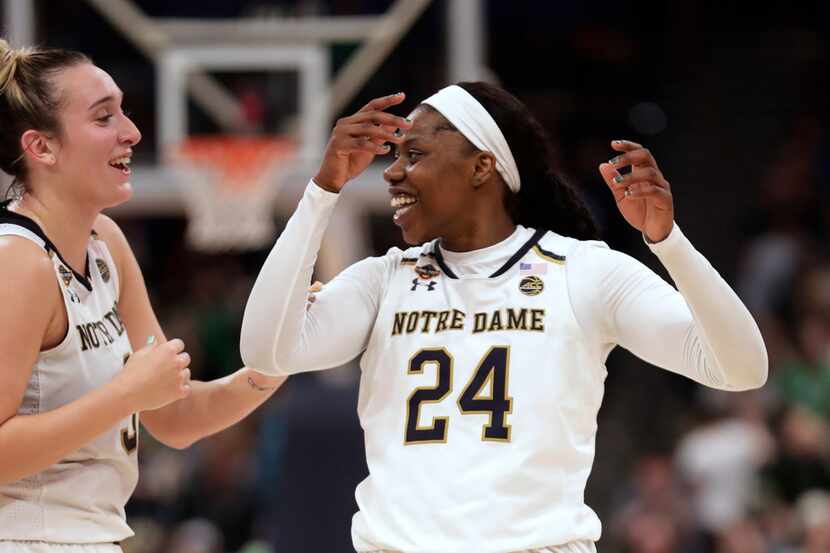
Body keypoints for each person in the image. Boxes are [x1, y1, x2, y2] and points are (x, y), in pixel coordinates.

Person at [240, 83, 768, 553]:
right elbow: (265, 351)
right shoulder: (384, 279)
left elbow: (741, 369)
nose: (393, 171)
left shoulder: (583, 271)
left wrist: (669, 244)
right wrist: (321, 192)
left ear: (481, 166)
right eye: (395, 155)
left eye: (415, 154)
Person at [0, 40, 286, 552]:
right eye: (103, 117)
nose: (131, 133)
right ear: (41, 147)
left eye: (124, 113)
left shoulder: (105, 242)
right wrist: (125, 395)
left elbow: (172, 417)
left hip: (93, 536)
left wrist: (274, 364)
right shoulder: (16, 261)